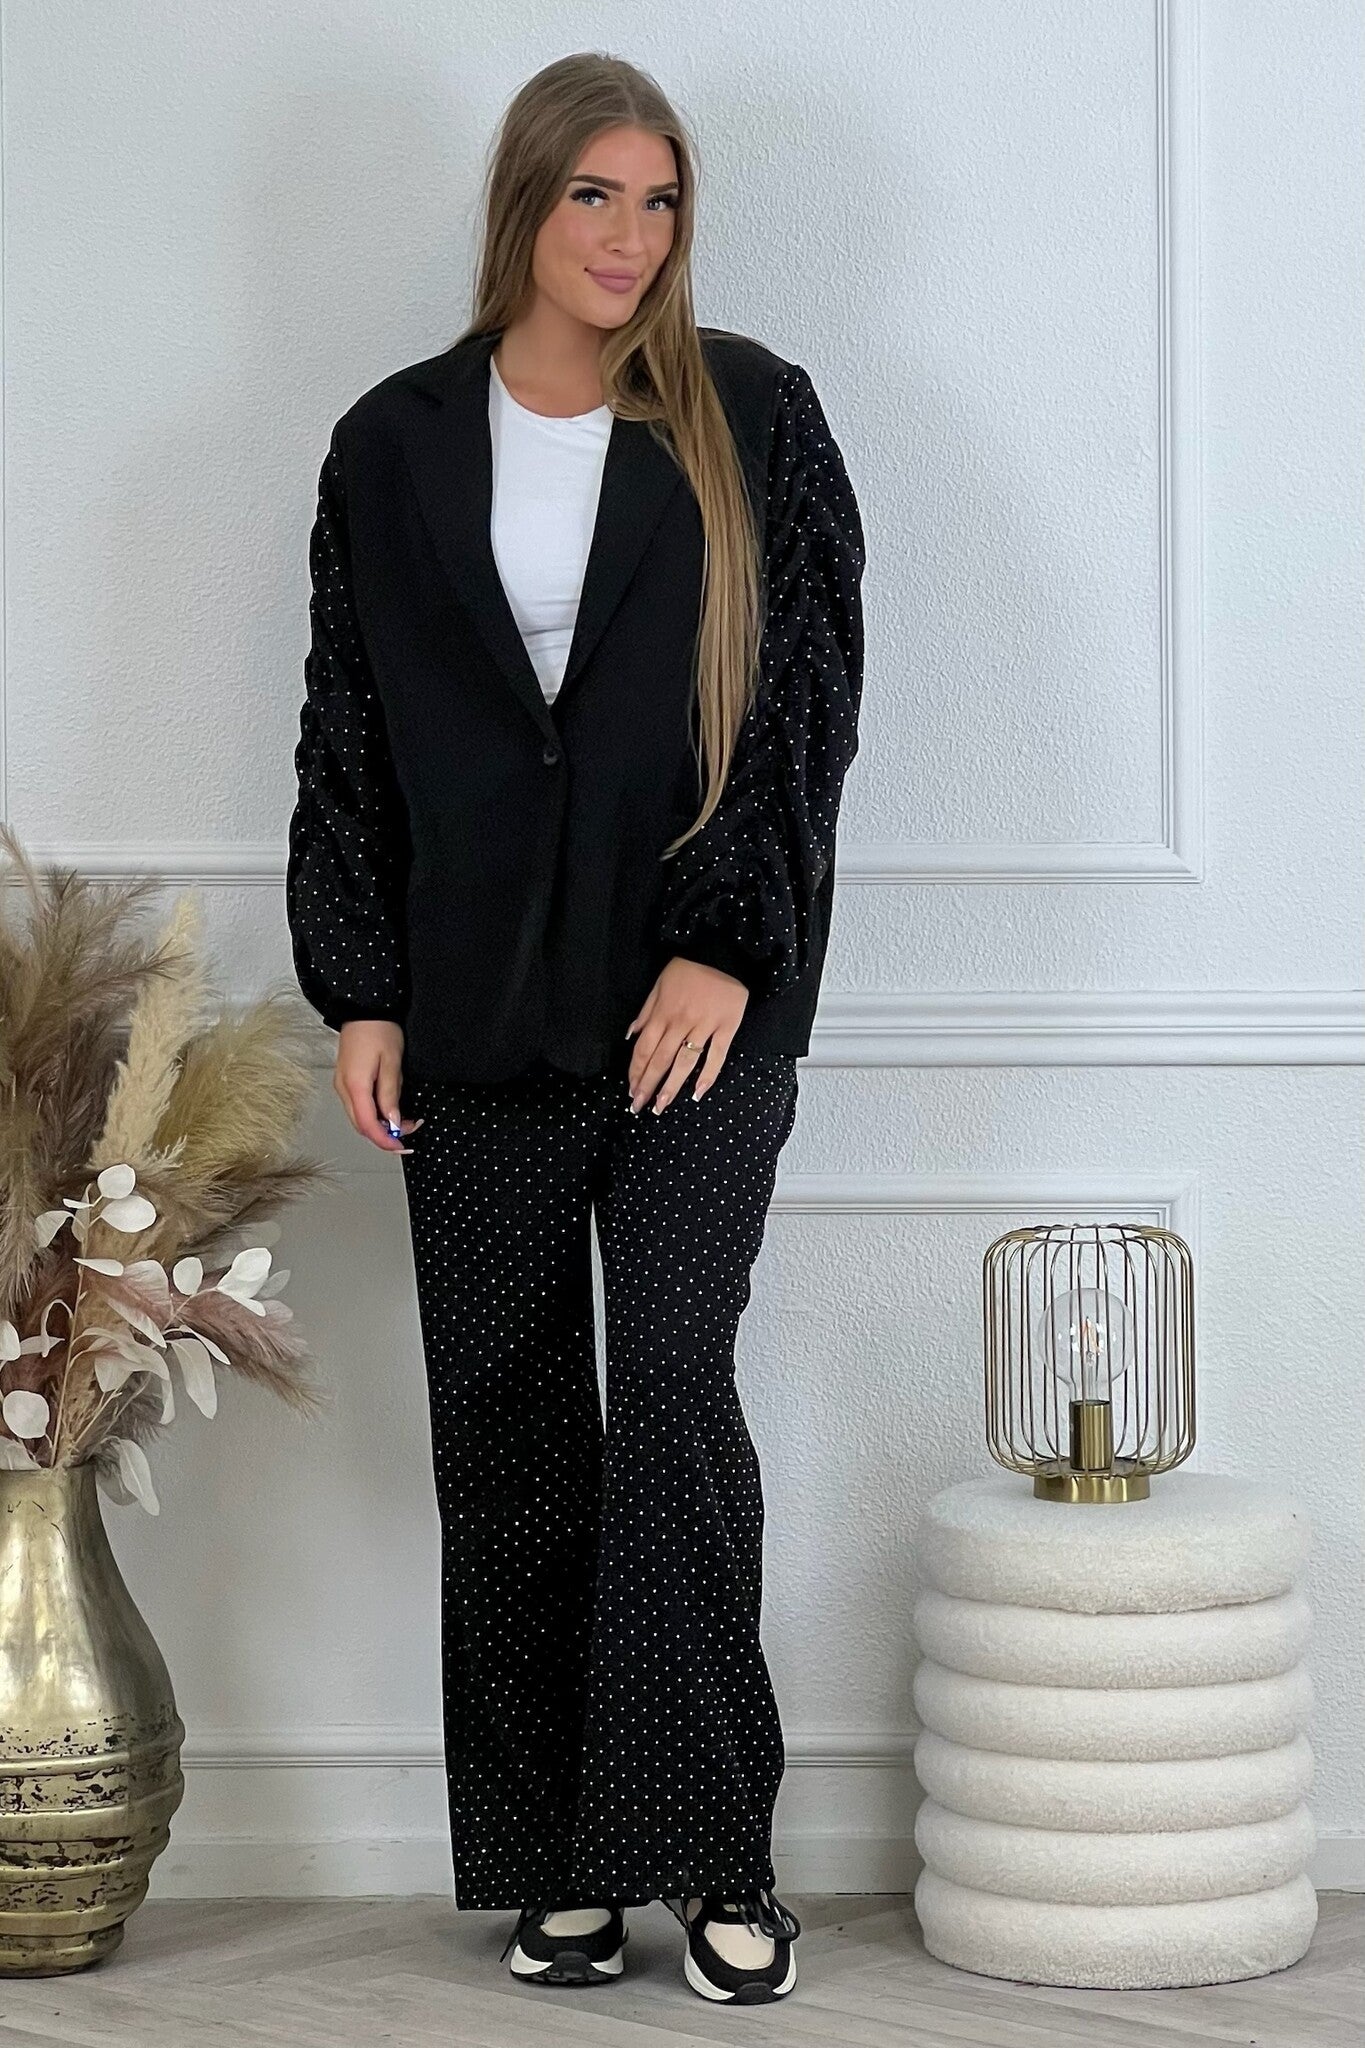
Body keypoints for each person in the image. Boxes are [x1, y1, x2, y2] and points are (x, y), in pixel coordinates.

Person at [285, 50, 865, 2007]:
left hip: (695, 1004)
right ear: (523, 205)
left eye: (659, 201)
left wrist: (726, 946)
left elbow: (802, 703)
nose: (629, 238)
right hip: (471, 1004)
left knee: (672, 1384)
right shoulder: (391, 444)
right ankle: (556, 1867)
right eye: (593, 197)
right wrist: (362, 981)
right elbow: (347, 729)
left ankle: (712, 1857)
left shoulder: (752, 414)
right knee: (510, 1423)